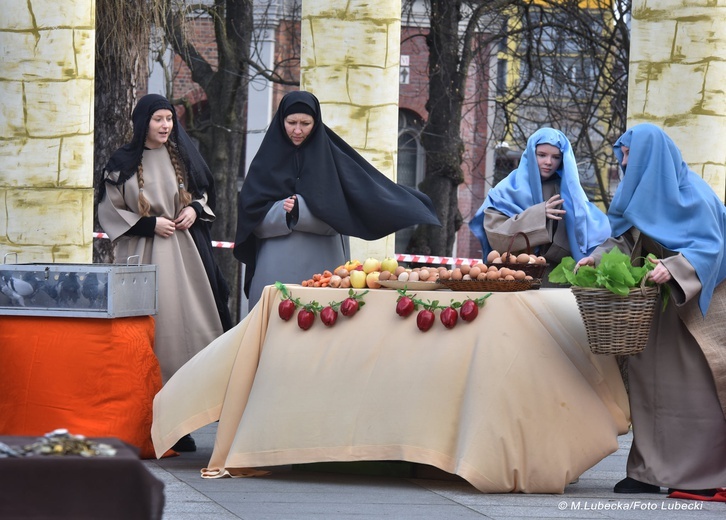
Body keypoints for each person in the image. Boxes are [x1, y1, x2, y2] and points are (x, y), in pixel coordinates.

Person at [577, 123, 726, 496]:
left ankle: (700, 475)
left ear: (652, 158)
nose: (624, 163)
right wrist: (596, 259)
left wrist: (675, 266)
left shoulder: (695, 194)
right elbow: (624, 238)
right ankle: (646, 471)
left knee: (692, 393)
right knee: (648, 391)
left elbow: (711, 246)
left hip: (692, 311)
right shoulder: (640, 195)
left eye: (629, 156)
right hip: (652, 312)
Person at [98, 94, 233, 451]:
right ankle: (150, 419)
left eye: (169, 119)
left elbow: (203, 193)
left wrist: (194, 211)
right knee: (152, 335)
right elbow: (110, 212)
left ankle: (185, 419)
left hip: (186, 257)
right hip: (142, 257)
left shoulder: (183, 157)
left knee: (189, 329)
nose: (165, 125)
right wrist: (148, 223)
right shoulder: (122, 163)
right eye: (158, 119)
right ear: (144, 122)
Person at [234, 90, 441, 308]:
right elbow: (250, 215)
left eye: (305, 123)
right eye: (291, 122)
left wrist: (301, 210)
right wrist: (282, 213)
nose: (297, 130)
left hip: (323, 266)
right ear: (281, 120)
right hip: (276, 265)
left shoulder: (331, 158)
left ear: (316, 122)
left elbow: (349, 206)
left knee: (321, 323)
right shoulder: (265, 161)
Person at [469, 128, 610, 282]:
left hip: (556, 280)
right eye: (542, 155)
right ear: (531, 153)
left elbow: (589, 234)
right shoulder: (507, 188)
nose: (548, 162)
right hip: (513, 278)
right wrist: (538, 215)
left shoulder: (570, 193)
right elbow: (495, 235)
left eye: (556, 157)